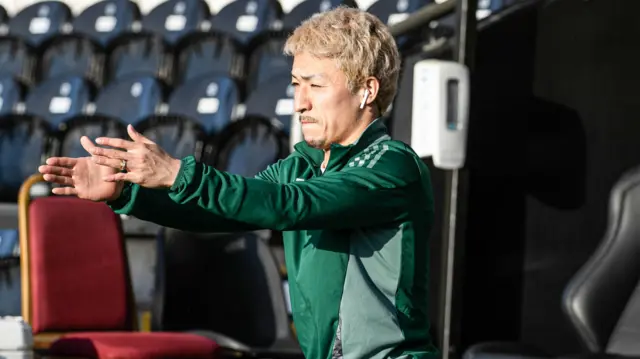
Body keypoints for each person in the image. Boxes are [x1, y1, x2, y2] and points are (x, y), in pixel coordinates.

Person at [38, 6, 437, 359]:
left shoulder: (393, 166)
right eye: (296, 85)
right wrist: (129, 194)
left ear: (367, 90)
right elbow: (221, 211)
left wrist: (180, 173)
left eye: (315, 85)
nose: (300, 102)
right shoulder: (300, 166)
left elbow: (293, 205)